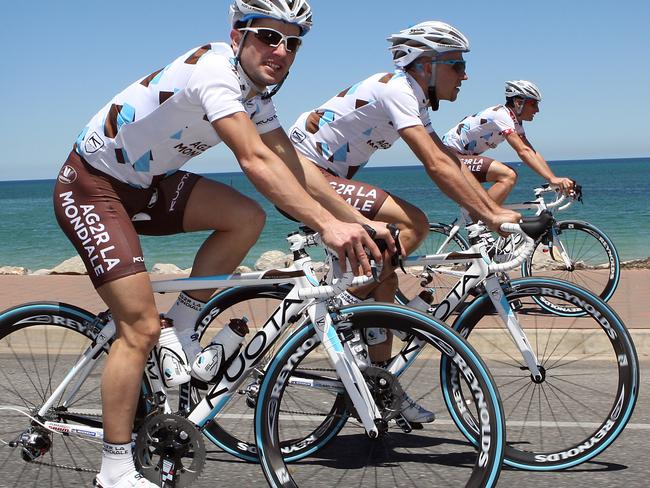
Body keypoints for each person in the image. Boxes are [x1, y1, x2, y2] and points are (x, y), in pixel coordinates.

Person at [52, 1, 394, 486]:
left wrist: (354, 219)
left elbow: (293, 167)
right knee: (140, 327)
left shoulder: (256, 95)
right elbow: (254, 159)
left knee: (244, 217)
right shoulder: (214, 71)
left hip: (148, 183)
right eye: (268, 37)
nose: (281, 50)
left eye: (292, 42)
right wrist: (326, 226)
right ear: (237, 36)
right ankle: (114, 469)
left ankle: (186, 322)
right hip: (91, 186)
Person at [287, 21, 521, 423]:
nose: (465, 76)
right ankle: (346, 312)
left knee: (387, 277)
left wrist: (492, 209)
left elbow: (446, 156)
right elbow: (433, 164)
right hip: (304, 176)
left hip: (328, 177)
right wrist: (489, 214)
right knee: (413, 225)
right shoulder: (397, 89)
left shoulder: (413, 98)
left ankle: (382, 389)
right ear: (427, 65)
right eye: (457, 65)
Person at [442, 80, 574, 204]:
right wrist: (551, 179)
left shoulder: (514, 121)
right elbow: (522, 151)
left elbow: (531, 151)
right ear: (518, 102)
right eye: (533, 104)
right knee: (508, 175)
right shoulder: (501, 115)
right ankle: (479, 216)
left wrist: (552, 178)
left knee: (502, 224)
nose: (537, 110)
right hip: (449, 156)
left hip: (461, 157)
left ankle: (481, 218)